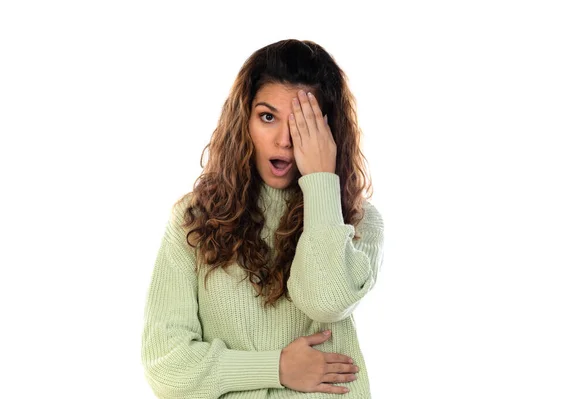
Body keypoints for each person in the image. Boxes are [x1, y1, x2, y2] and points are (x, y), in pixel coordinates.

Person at [141, 38, 385, 398]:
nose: (285, 140)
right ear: (244, 120)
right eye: (268, 117)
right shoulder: (193, 219)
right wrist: (278, 368)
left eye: (304, 123)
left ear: (328, 132)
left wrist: (320, 182)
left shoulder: (358, 221)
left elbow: (326, 299)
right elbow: (166, 365)